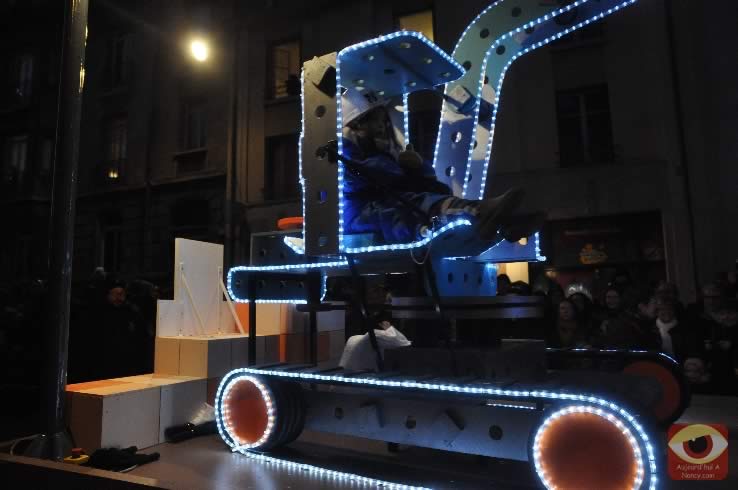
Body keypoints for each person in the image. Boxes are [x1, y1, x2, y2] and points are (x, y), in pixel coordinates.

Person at [340, 88, 540, 244]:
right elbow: (371, 176)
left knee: (432, 193)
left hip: (384, 206)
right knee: (412, 205)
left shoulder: (378, 150)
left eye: (382, 119)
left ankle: (505, 223)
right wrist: (404, 167)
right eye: (375, 120)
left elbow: (412, 180)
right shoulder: (344, 152)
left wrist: (418, 167)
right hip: (363, 215)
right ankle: (479, 213)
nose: (381, 125)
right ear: (357, 124)